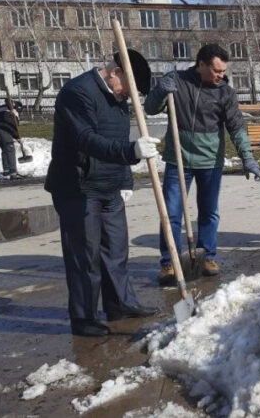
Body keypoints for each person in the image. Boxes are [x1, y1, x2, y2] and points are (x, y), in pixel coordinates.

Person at [45, 50, 160, 337]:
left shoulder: (117, 99)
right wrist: (131, 151)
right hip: (77, 186)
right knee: (85, 257)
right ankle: (84, 318)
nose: (128, 99)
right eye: (129, 91)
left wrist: (125, 181)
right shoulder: (77, 93)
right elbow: (86, 140)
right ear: (115, 72)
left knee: (116, 250)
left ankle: (119, 304)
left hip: (110, 186)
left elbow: (116, 139)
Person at [144, 44, 260, 285]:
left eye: (223, 71)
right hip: (178, 159)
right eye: (217, 70)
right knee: (171, 213)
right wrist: (159, 91)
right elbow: (150, 108)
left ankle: (207, 256)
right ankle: (169, 263)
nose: (221, 75)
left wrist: (247, 156)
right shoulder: (177, 82)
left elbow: (236, 126)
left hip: (210, 160)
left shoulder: (225, 93)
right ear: (201, 64)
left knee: (209, 212)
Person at [0, 99, 24, 179]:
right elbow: (10, 125)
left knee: (5, 148)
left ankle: (6, 170)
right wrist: (17, 137)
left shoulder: (2, 109)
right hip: (1, 128)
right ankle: (13, 172)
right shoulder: (9, 113)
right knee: (10, 147)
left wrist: (16, 136)